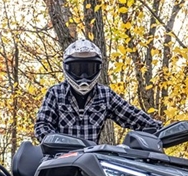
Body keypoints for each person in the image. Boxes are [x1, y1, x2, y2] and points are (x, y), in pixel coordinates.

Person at [34, 38, 163, 144]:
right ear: (67, 68)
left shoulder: (105, 95)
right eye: (78, 69)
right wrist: (59, 144)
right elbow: (42, 126)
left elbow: (135, 117)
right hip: (57, 163)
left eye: (89, 69)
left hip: (91, 165)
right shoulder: (55, 93)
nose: (83, 76)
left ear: (98, 68)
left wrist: (162, 131)